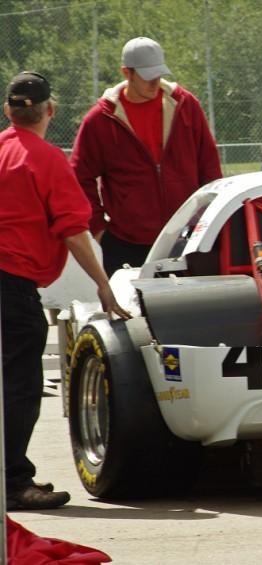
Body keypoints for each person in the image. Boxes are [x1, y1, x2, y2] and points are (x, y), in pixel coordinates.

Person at [1, 71, 131, 510]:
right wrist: (103, 285)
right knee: (19, 385)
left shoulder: (2, 150)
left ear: (8, 111)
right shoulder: (46, 159)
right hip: (12, 285)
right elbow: (75, 231)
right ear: (49, 111)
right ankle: (12, 481)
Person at [71, 36, 222, 276]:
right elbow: (79, 178)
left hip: (185, 238)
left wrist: (209, 218)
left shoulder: (185, 105)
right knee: (133, 312)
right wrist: (99, 229)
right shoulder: (100, 120)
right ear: (126, 73)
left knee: (189, 312)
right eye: (147, 75)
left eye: (158, 74)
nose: (154, 82)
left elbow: (210, 165)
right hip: (126, 243)